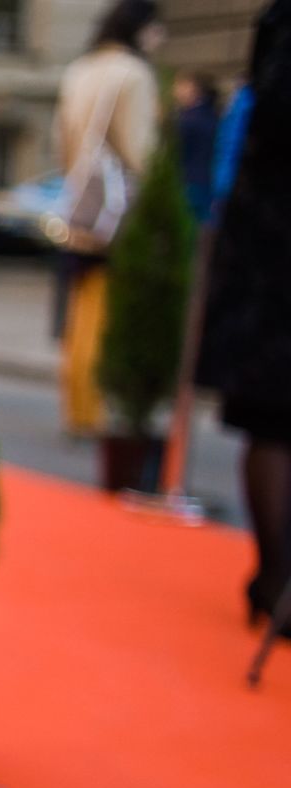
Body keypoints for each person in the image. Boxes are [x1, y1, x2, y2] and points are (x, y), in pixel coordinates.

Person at [197, 0, 291, 627]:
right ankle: (279, 580)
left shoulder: (274, 26)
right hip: (274, 256)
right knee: (274, 422)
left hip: (266, 249)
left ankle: (275, 581)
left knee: (272, 423)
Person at [52, 0, 162, 438]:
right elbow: (139, 149)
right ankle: (95, 404)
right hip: (115, 213)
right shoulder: (133, 74)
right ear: (139, 28)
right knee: (106, 307)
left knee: (81, 308)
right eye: (157, 28)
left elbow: (62, 138)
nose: (161, 39)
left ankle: (78, 402)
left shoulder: (79, 70)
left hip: (82, 204)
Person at [174, 73, 223, 221]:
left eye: (180, 86)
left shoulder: (187, 120)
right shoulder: (212, 114)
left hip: (187, 181)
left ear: (192, 89)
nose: (175, 90)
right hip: (206, 180)